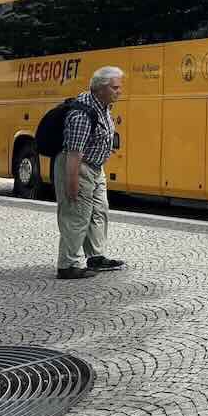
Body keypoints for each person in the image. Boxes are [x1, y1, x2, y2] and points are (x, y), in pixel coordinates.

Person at [54, 66, 126, 279]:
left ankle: (96, 256)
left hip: (95, 167)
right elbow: (74, 153)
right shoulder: (82, 113)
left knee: (99, 211)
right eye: (115, 87)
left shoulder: (103, 106)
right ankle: (68, 265)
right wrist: (72, 184)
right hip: (78, 167)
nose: (119, 91)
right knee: (76, 214)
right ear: (100, 89)